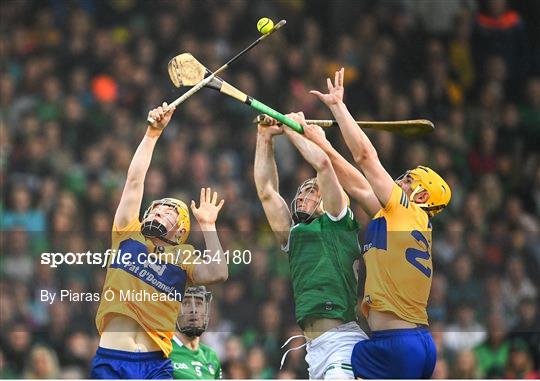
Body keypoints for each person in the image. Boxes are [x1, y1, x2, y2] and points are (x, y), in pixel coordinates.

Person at [308, 68, 451, 379]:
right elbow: (358, 185)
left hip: (395, 345)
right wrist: (317, 143)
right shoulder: (398, 217)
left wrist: (337, 106)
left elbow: (365, 156)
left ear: (422, 195)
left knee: (331, 353)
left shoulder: (406, 209)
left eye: (408, 179)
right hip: (415, 344)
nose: (399, 180)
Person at [91, 103, 228, 379]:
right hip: (114, 360)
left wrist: (209, 226)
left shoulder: (184, 256)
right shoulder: (127, 234)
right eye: (155, 208)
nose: (157, 212)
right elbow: (134, 182)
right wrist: (152, 134)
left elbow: (218, 272)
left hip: (158, 364)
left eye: (168, 212)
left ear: (180, 232)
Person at [254, 113, 368, 379]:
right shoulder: (294, 235)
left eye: (312, 191)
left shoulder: (339, 222)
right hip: (314, 349)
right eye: (302, 191)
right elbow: (266, 191)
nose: (304, 195)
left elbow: (324, 165)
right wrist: (264, 137)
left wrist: (294, 128)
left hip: (343, 342)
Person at [170, 286, 222, 379]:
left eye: (198, 303)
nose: (193, 310)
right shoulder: (162, 351)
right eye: (185, 303)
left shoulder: (211, 356)